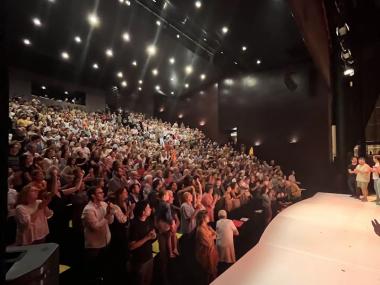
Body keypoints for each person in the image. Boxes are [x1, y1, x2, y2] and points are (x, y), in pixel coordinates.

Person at [81, 186, 115, 283]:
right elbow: (95, 227)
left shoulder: (104, 204)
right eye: (100, 192)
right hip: (94, 245)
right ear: (93, 196)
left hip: (105, 240)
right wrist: (108, 215)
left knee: (103, 266)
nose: (103, 194)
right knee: (93, 270)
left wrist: (111, 213)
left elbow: (110, 222)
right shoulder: (88, 210)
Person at [129, 200, 156, 285]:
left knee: (148, 280)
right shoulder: (134, 225)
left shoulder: (149, 220)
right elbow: (132, 246)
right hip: (140, 260)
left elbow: (152, 236)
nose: (150, 209)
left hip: (149, 257)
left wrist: (154, 236)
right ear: (143, 211)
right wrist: (147, 238)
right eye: (148, 208)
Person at [195, 210, 218, 283]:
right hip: (206, 254)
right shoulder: (200, 230)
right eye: (207, 216)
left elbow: (215, 234)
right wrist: (213, 236)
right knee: (210, 272)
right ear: (203, 218)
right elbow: (208, 243)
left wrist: (212, 235)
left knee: (212, 271)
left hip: (211, 252)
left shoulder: (207, 226)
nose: (209, 217)